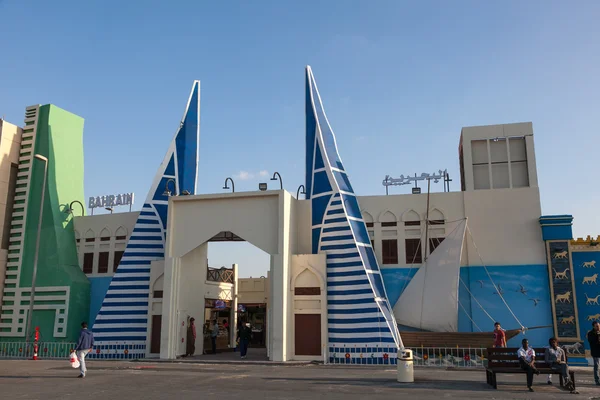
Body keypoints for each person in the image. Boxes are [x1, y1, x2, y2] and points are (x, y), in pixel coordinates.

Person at [587, 320, 600, 386]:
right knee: (596, 366)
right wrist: (597, 336)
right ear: (594, 327)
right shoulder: (590, 333)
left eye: (599, 326)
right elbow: (591, 342)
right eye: (597, 326)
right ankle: (597, 381)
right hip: (596, 352)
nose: (598, 327)